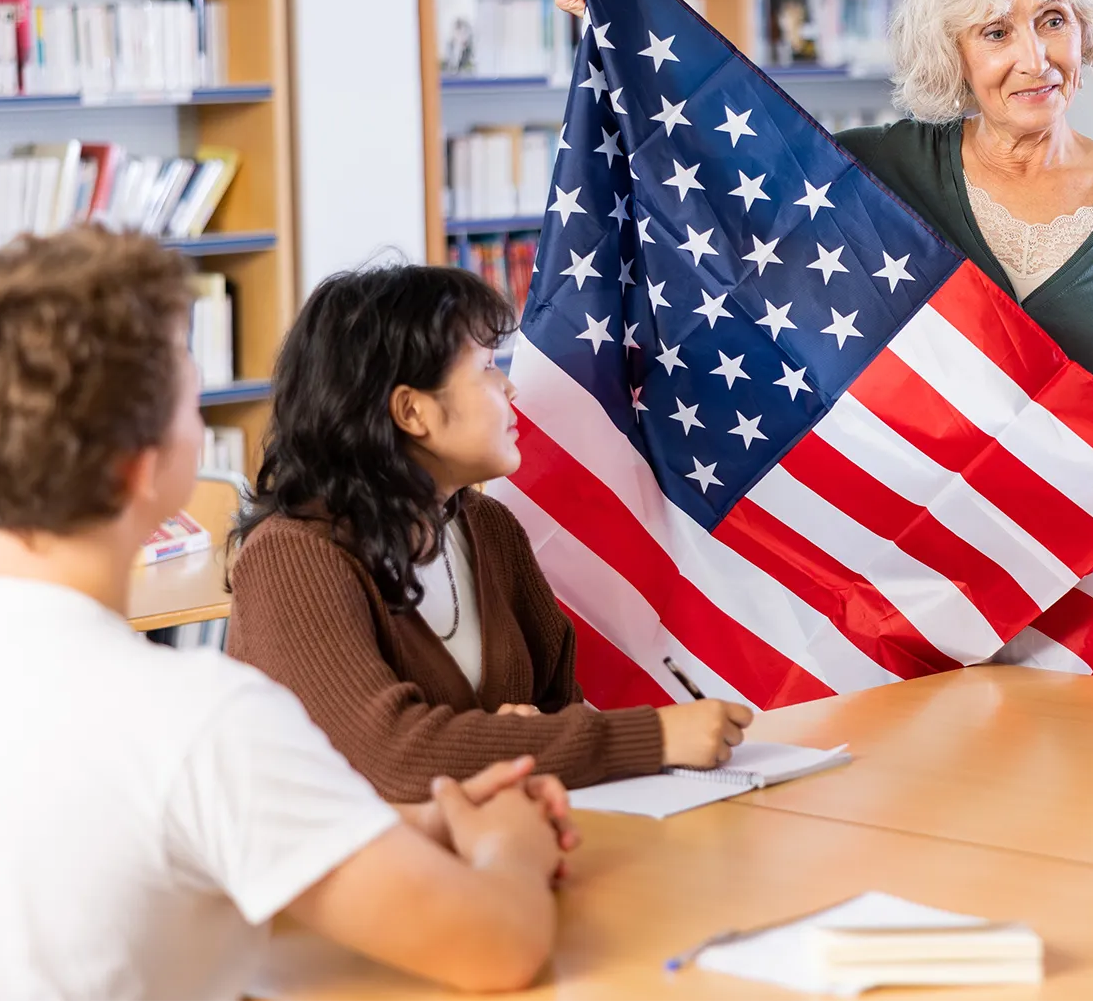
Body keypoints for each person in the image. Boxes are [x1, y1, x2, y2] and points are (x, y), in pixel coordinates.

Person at [0, 228, 574, 998]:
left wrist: (411, 828)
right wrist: (510, 841)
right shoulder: (202, 722)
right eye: (189, 396)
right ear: (146, 468)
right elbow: (496, 946)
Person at [545, 0, 1093, 516]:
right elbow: (710, 162)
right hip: (913, 554)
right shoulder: (873, 172)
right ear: (954, 53)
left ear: (1086, 30)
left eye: (1053, 20)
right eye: (995, 32)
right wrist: (614, 15)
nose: (1035, 58)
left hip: (1086, 536)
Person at [228, 263, 752, 802]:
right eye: (485, 369)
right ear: (412, 411)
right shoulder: (289, 559)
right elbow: (391, 756)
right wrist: (655, 736)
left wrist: (518, 740)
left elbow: (556, 709)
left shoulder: (489, 528)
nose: (511, 387)